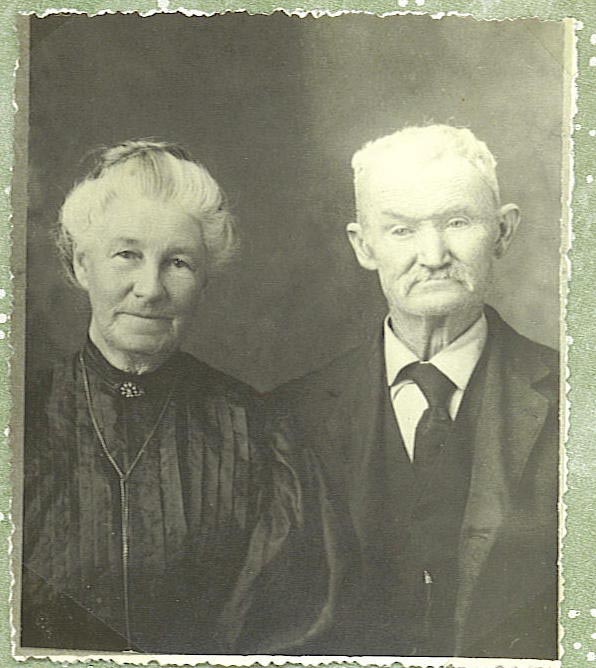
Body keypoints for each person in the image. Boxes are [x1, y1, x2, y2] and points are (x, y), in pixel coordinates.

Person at [21, 140, 357, 654]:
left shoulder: (259, 435)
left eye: (178, 263)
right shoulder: (21, 421)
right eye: (127, 255)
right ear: (83, 266)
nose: (150, 288)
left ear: (204, 283)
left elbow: (288, 629)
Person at [280, 125, 559, 659]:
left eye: (457, 222)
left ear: (503, 232)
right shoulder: (290, 417)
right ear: (364, 246)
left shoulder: (575, 401)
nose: (433, 255)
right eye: (402, 230)